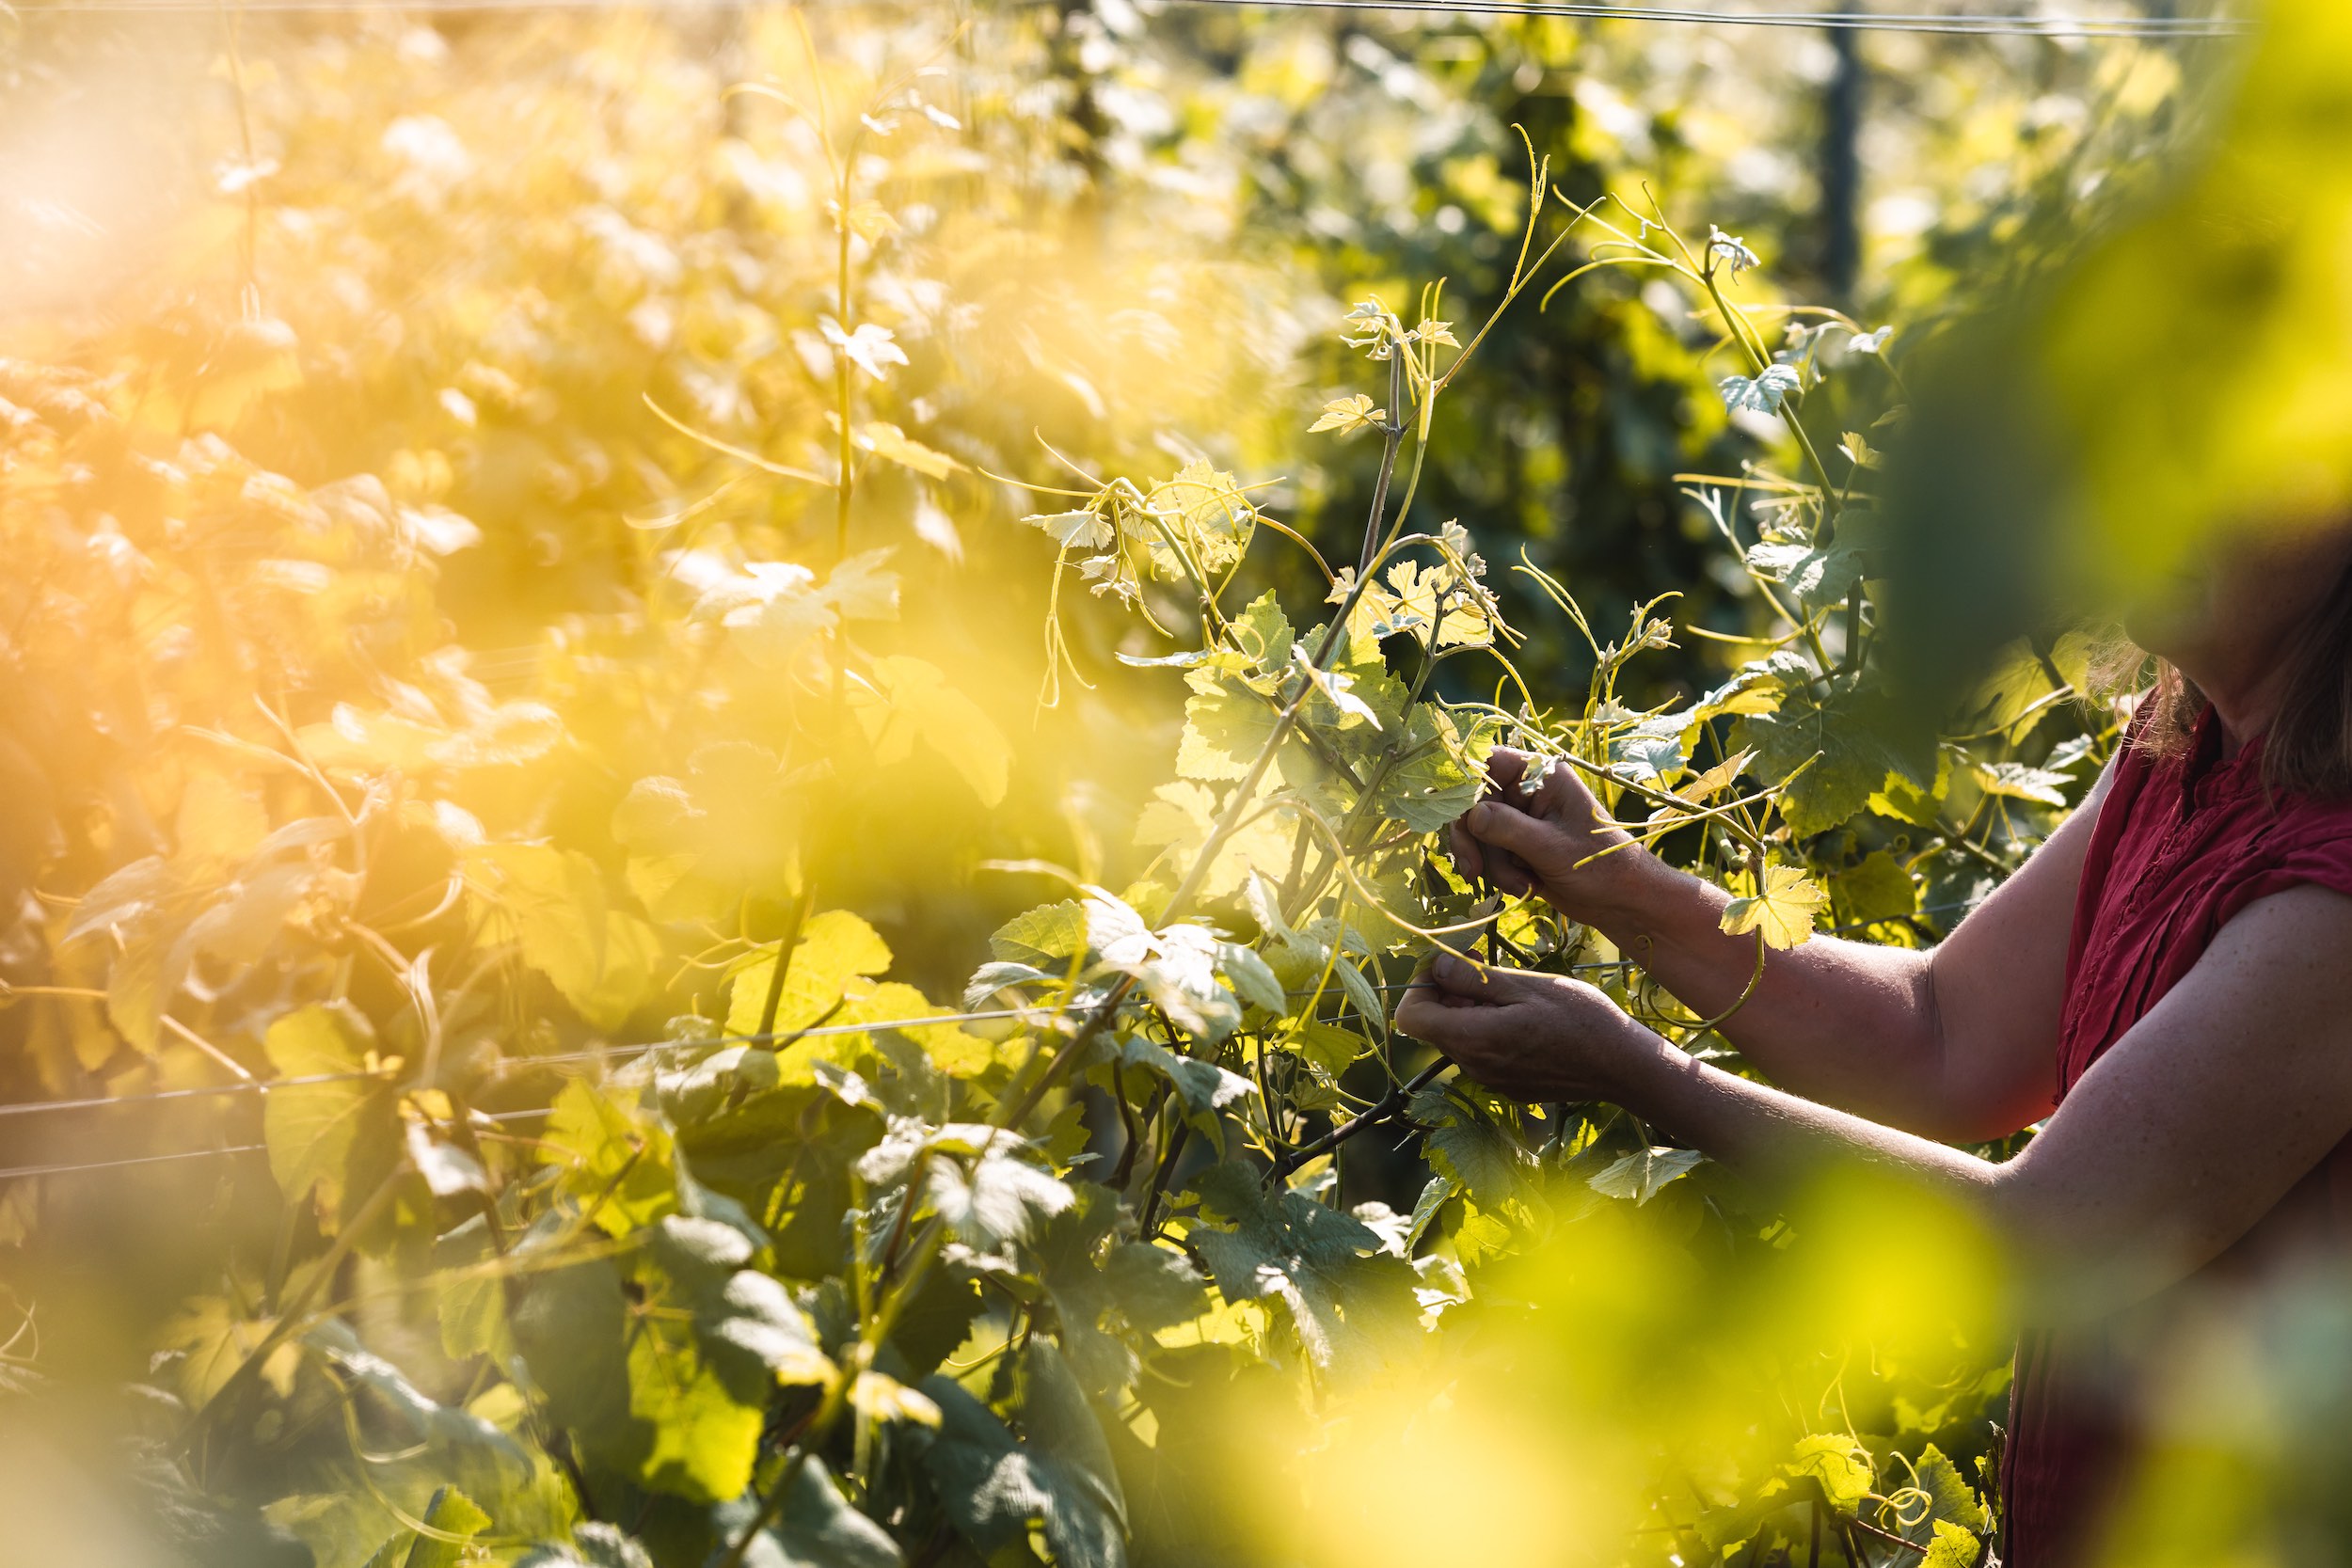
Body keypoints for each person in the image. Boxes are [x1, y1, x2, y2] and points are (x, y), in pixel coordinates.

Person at [1392, 519, 2352, 1566]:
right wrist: (1621, 884)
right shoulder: (2188, 744)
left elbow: (2045, 1241)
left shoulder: (2334, 892)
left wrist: (1638, 1067)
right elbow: (1941, 1035)